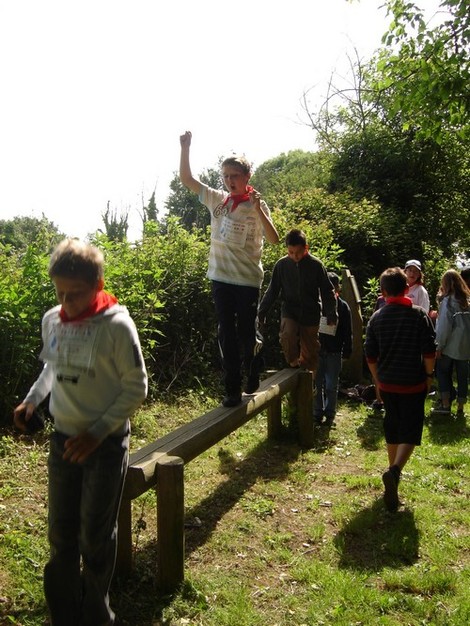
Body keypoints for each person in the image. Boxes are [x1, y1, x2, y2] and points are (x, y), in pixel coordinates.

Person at [13, 239, 148, 626]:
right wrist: (32, 401)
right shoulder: (53, 319)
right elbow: (52, 369)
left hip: (104, 445)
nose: (67, 302)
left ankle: (96, 615)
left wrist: (99, 433)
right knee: (61, 535)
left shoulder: (117, 325)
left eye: (76, 293)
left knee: (95, 536)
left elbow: (136, 387)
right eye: (60, 293)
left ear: (99, 284)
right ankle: (64, 615)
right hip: (63, 442)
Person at [179, 130, 279, 407]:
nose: (229, 181)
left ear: (247, 178)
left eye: (235, 176)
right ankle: (232, 389)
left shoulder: (257, 204)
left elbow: (274, 239)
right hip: (221, 277)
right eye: (225, 176)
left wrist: (259, 209)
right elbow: (187, 180)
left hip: (247, 280)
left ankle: (254, 361)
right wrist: (185, 147)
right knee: (226, 332)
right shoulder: (217, 200)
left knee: (246, 334)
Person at [364, 267, 436, 512]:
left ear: (383, 292)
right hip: (413, 382)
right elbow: (429, 350)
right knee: (411, 430)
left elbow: (370, 355)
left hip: (387, 384)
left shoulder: (377, 318)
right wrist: (428, 376)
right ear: (407, 289)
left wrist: (377, 381)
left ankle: (392, 475)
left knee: (392, 427)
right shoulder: (419, 315)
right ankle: (395, 471)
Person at [258, 229, 337, 374]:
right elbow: (272, 290)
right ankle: (294, 363)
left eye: (298, 252)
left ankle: (309, 380)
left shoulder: (316, 265)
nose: (295, 256)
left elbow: (327, 291)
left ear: (306, 248)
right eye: (291, 252)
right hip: (290, 310)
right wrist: (261, 312)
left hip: (311, 312)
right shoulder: (281, 265)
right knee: (287, 335)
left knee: (311, 352)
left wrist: (331, 313)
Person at [313, 272, 352, 426]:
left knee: (331, 385)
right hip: (317, 351)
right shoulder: (316, 304)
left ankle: (330, 414)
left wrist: (347, 350)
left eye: (333, 286)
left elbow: (347, 331)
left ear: (338, 288)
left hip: (334, 352)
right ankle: (317, 413)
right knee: (316, 384)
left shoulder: (343, 307)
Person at [431, 269, 470, 417]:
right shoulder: (467, 300)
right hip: (465, 347)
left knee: (442, 372)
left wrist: (439, 346)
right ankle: (460, 407)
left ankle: (445, 404)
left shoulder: (447, 301)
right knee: (462, 376)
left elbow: (444, 327)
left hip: (449, 345)